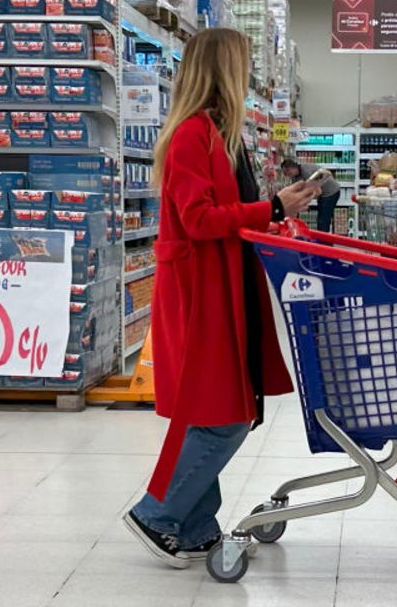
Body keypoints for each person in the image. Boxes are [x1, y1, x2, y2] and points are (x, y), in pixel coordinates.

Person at [122, 28, 320, 568]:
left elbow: (236, 213)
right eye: (243, 64)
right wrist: (270, 208)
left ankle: (196, 525)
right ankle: (157, 513)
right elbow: (199, 220)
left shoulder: (218, 134)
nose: (249, 74)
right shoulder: (192, 134)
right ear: (222, 70)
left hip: (224, 287)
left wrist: (281, 212)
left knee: (217, 408)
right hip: (201, 295)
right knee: (225, 413)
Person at [281, 158, 342, 233]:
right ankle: (323, 240)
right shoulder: (294, 176)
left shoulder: (306, 172)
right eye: (284, 173)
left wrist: (304, 201)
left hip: (331, 192)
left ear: (293, 167)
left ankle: (324, 243)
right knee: (322, 219)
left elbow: (318, 192)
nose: (286, 175)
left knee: (323, 220)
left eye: (287, 171)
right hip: (323, 194)